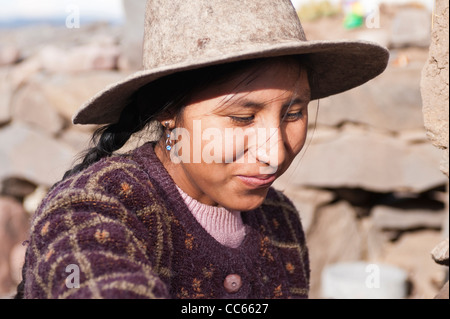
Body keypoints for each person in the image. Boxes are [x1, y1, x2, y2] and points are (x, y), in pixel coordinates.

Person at [16, 0, 389, 299]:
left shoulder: (280, 222)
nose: (274, 153)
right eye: (243, 118)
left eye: (294, 113)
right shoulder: (91, 208)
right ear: (168, 113)